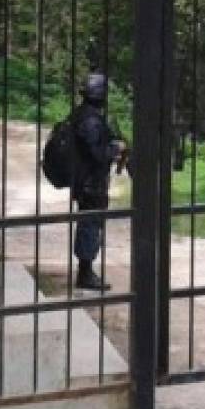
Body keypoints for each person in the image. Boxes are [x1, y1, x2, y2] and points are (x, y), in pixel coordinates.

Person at [70, 72, 126, 291]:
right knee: (90, 225)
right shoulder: (90, 120)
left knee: (90, 224)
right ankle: (85, 274)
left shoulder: (83, 114)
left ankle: (85, 270)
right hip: (90, 183)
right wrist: (116, 148)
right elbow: (97, 154)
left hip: (87, 180)